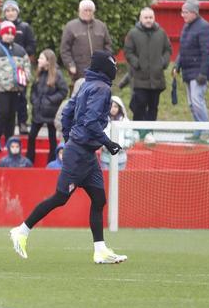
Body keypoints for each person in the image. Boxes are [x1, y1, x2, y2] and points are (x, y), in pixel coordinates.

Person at [9, 51, 128, 264]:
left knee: (99, 199)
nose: (116, 69)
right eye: (114, 65)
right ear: (105, 68)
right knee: (61, 197)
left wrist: (69, 137)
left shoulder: (85, 85)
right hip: (80, 153)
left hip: (85, 153)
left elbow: (67, 113)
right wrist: (107, 143)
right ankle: (22, 230)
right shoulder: (102, 88)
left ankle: (100, 251)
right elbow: (91, 122)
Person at [0, 21, 31, 152]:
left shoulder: (20, 50)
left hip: (16, 88)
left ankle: (9, 140)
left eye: (12, 34)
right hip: (1, 88)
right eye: (7, 33)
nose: (9, 36)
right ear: (1, 34)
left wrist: (26, 77)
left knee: (12, 114)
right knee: (3, 112)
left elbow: (27, 65)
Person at [123, 7, 172, 121]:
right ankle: (138, 132)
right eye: (146, 17)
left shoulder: (161, 32)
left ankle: (150, 133)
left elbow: (168, 49)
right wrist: (137, 63)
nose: (148, 20)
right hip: (140, 78)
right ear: (141, 19)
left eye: (151, 17)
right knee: (139, 105)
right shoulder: (133, 33)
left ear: (154, 18)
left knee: (153, 107)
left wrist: (163, 62)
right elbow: (128, 51)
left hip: (157, 78)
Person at [0, 0, 36, 132]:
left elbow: (32, 44)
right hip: (4, 68)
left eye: (13, 10)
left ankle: (23, 122)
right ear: (4, 13)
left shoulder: (24, 27)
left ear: (17, 12)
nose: (10, 13)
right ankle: (4, 126)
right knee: (5, 102)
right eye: (7, 10)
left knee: (22, 97)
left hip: (20, 67)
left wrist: (22, 52)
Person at [174, 0, 209, 124]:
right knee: (191, 103)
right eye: (182, 12)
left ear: (194, 12)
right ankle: (198, 130)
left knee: (197, 101)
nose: (182, 15)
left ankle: (206, 129)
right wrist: (177, 65)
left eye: (185, 12)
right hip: (188, 71)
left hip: (198, 72)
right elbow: (183, 49)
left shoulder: (204, 27)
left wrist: (203, 73)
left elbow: (207, 52)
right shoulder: (186, 27)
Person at [60, 0, 112, 92]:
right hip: (79, 72)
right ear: (79, 11)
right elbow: (64, 49)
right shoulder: (71, 26)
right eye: (85, 10)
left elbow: (108, 46)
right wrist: (70, 65)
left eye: (90, 10)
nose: (88, 13)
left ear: (93, 12)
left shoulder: (101, 26)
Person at [26, 49, 67, 165]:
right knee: (32, 136)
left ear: (48, 61)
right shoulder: (39, 73)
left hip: (51, 113)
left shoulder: (57, 75)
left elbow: (63, 91)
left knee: (52, 138)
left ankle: (52, 161)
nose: (38, 60)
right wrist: (34, 100)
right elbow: (33, 90)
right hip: (38, 112)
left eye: (41, 58)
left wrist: (49, 100)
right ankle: (29, 159)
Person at [101, 97, 132, 170]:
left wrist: (123, 146)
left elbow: (130, 137)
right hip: (106, 157)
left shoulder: (125, 121)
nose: (113, 109)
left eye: (115, 106)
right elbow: (100, 136)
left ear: (120, 108)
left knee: (119, 179)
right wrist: (105, 146)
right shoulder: (103, 120)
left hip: (121, 158)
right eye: (111, 106)